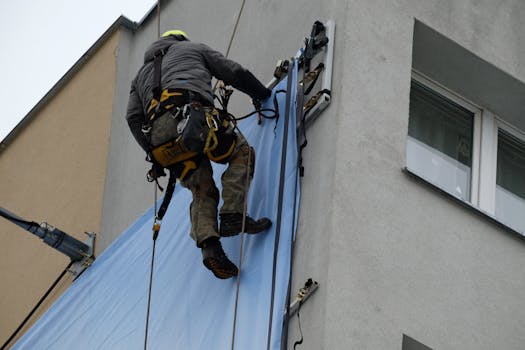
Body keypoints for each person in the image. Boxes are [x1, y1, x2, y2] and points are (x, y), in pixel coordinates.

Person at [125, 30, 272, 279]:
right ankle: (233, 214)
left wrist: (153, 155)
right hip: (193, 119)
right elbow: (233, 72)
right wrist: (262, 94)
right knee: (240, 152)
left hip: (162, 141)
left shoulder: (139, 77)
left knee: (200, 187)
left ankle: (210, 249)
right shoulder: (192, 48)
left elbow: (133, 118)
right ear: (180, 40)